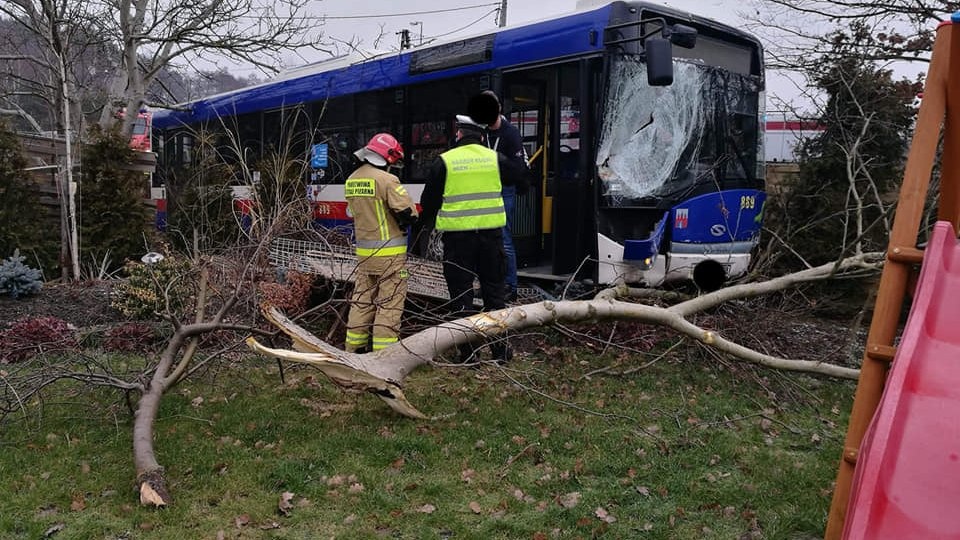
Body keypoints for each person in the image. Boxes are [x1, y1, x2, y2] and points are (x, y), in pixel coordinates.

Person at [420, 115, 528, 364]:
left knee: (461, 297)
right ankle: (501, 352)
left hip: (458, 243)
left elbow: (429, 203)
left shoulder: (445, 161)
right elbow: (520, 177)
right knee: (494, 296)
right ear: (482, 136)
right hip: (492, 240)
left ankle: (468, 355)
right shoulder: (495, 158)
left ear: (458, 135)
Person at [343, 133, 418, 354]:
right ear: (388, 157)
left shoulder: (352, 179)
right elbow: (408, 214)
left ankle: (354, 348)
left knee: (362, 300)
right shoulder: (387, 180)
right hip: (390, 255)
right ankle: (384, 354)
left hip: (365, 255)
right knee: (390, 304)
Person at [467, 90, 531, 302]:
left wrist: (495, 159)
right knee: (483, 241)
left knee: (503, 238)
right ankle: (487, 283)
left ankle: (510, 286)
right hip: (484, 190)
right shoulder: (481, 132)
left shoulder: (510, 133)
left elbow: (517, 168)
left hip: (504, 190)